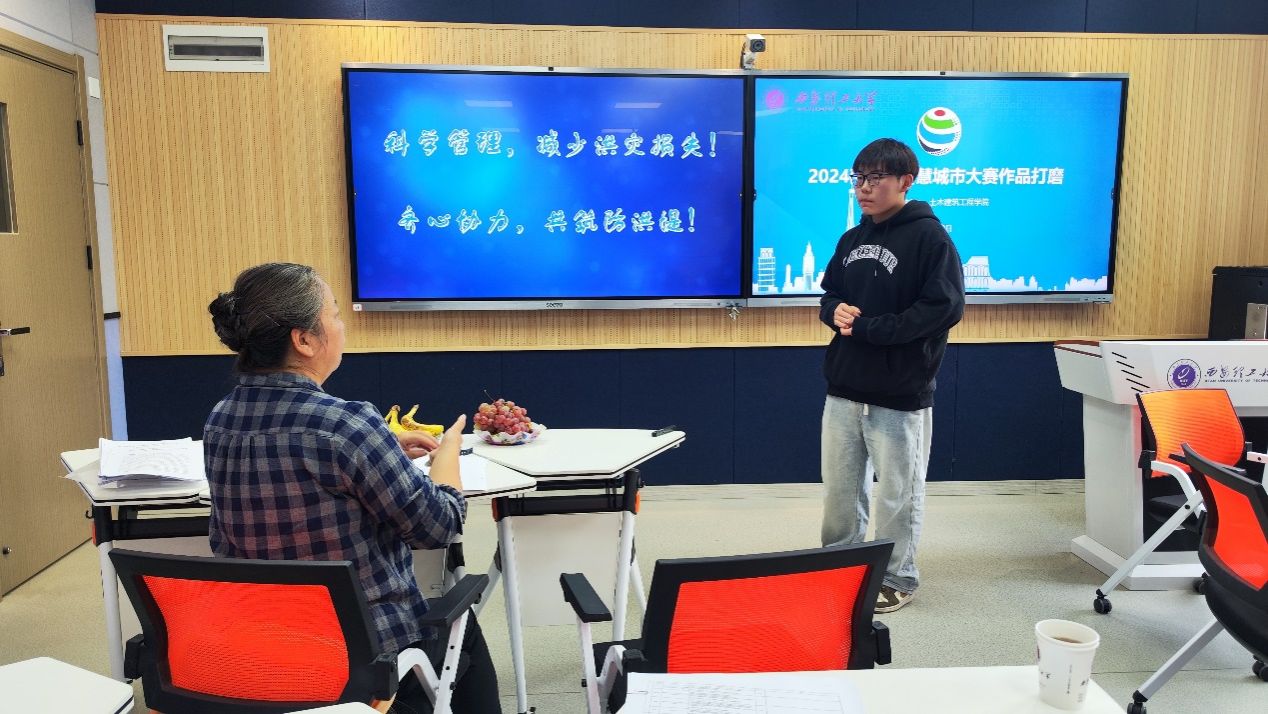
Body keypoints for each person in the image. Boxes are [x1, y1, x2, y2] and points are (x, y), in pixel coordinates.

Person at [205, 262, 500, 714]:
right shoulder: (346, 424)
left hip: (266, 652)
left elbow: (232, 531)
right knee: (465, 631)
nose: (342, 326)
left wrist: (383, 450)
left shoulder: (221, 419)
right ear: (304, 340)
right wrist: (447, 459)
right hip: (363, 658)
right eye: (335, 314)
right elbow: (438, 527)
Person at [818, 139, 965, 614]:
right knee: (841, 491)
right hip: (844, 388)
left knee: (899, 494)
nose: (863, 188)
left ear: (906, 181)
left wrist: (871, 329)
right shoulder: (851, 239)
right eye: (858, 178)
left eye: (875, 178)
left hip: (900, 393)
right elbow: (830, 294)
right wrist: (834, 311)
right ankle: (839, 564)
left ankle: (898, 575)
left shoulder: (930, 238)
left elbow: (943, 308)